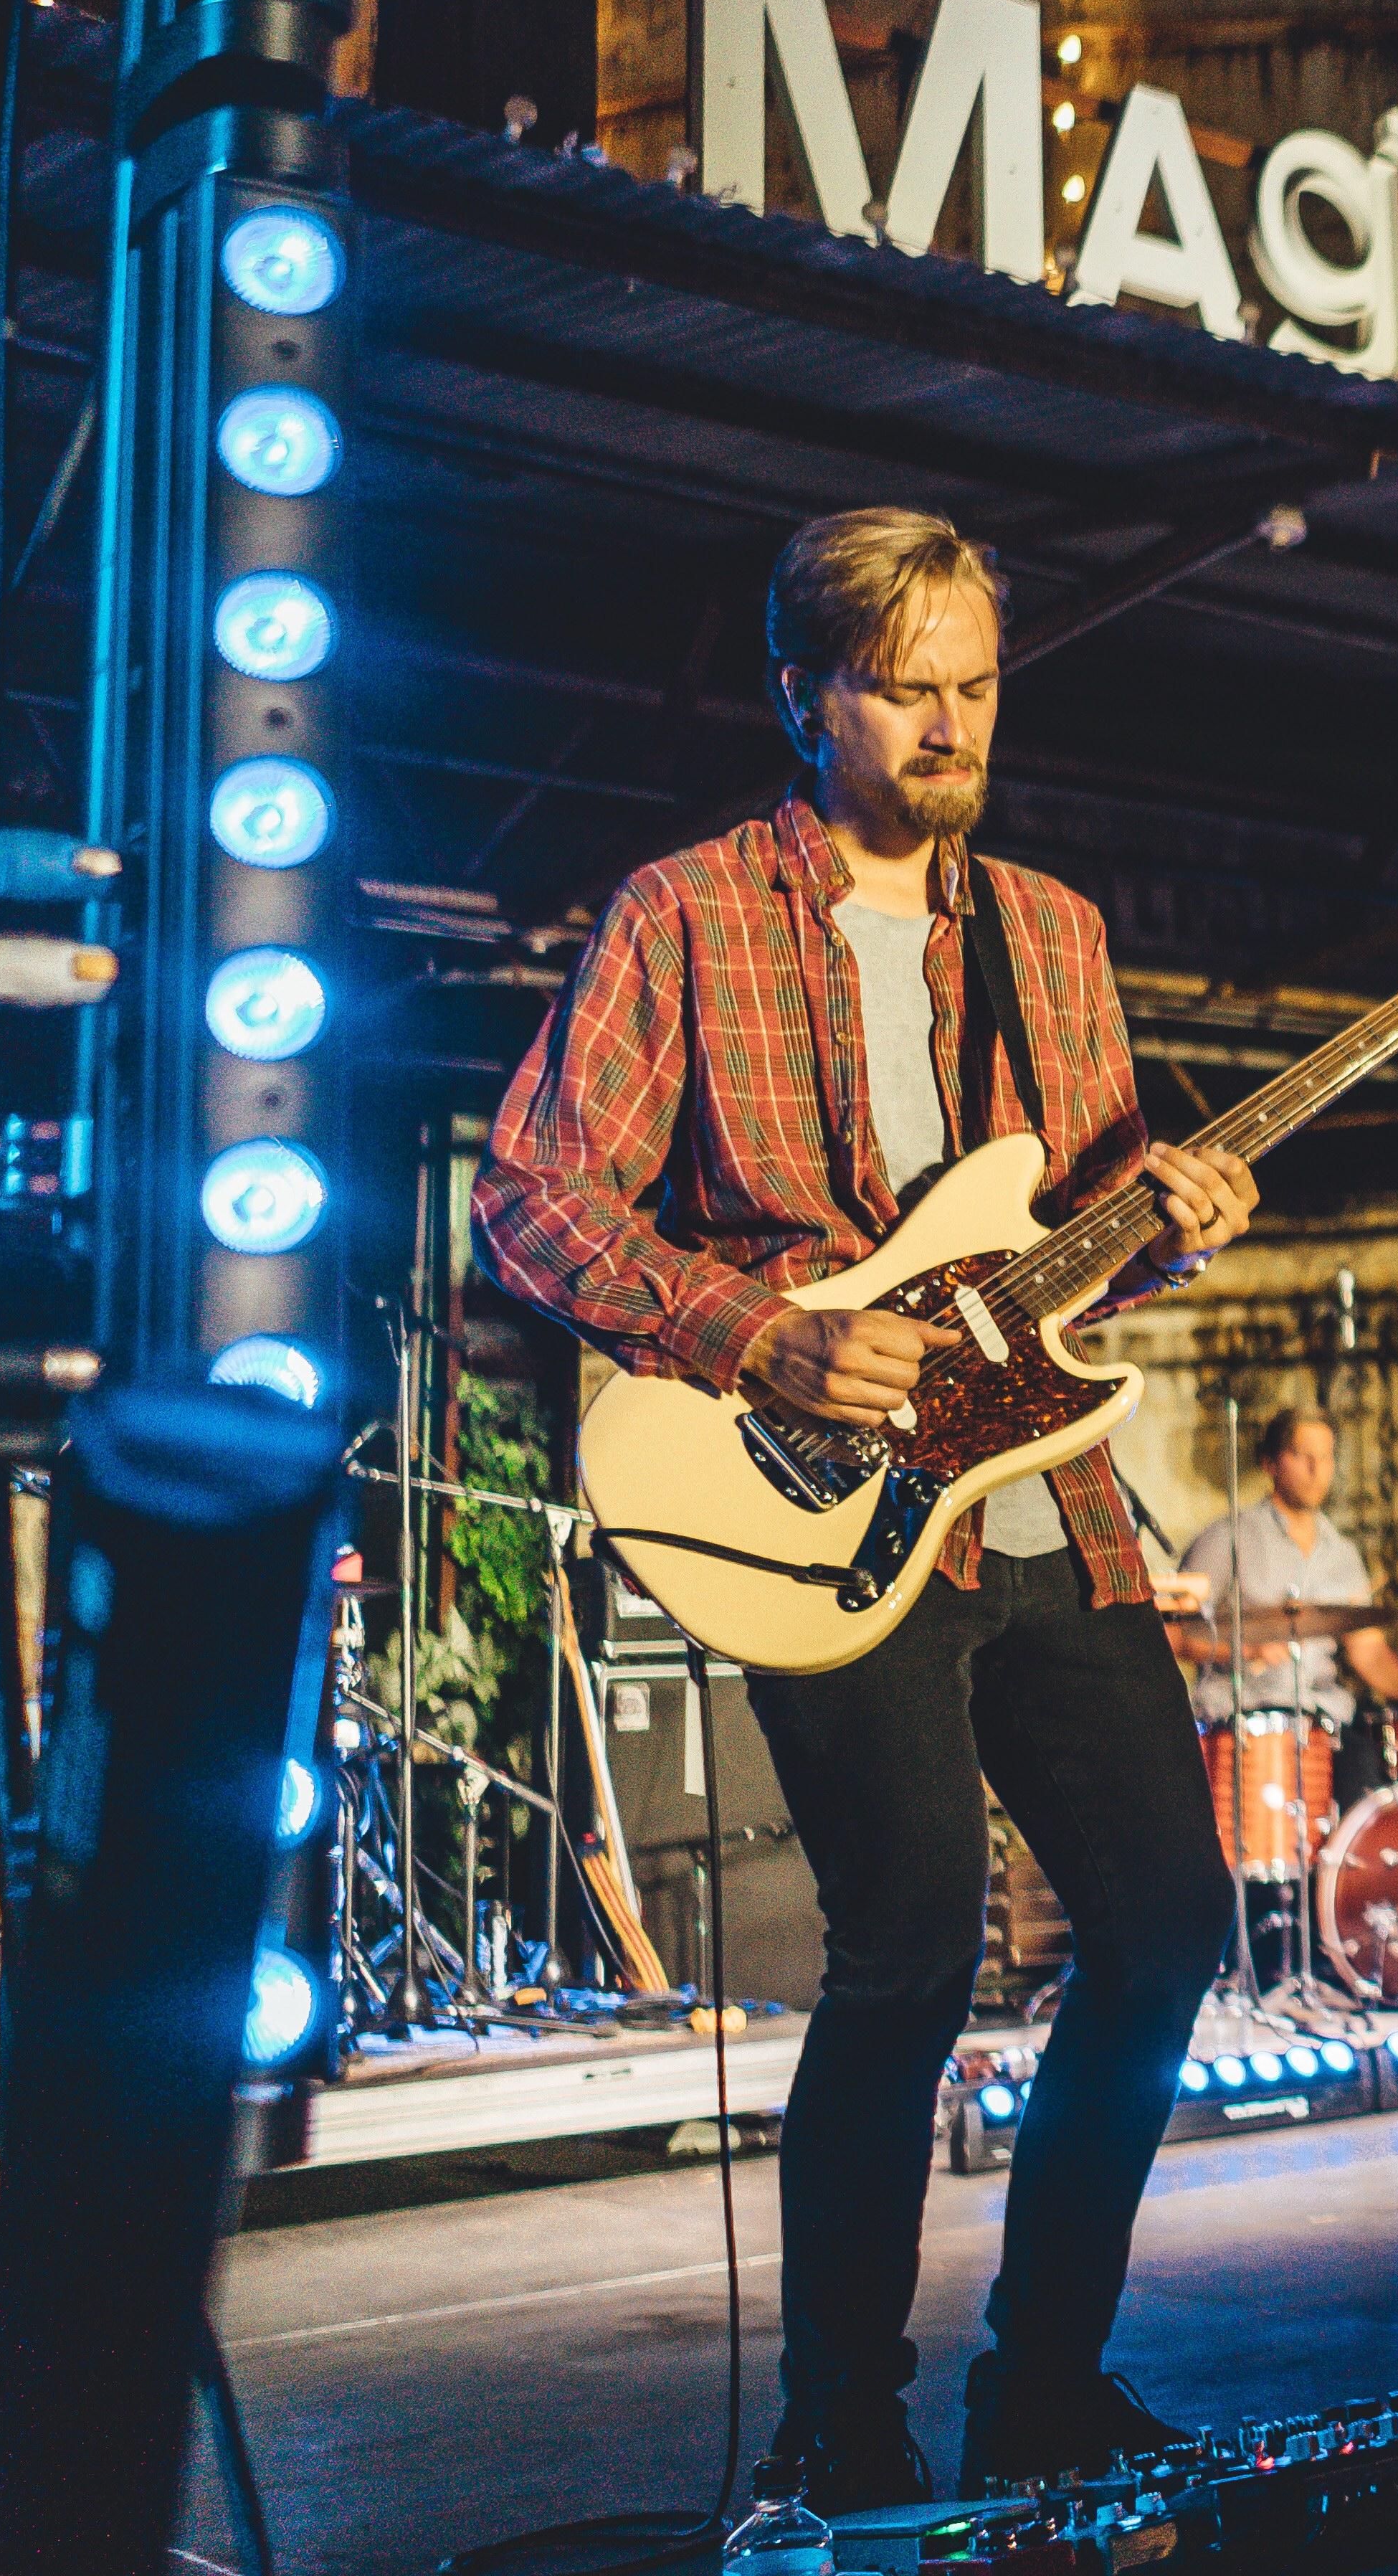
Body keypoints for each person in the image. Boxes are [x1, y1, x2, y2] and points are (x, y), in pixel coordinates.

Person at [478, 508, 1258, 2506]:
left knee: (1170, 1926)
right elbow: (536, 1194)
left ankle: (1048, 2382)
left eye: (976, 686)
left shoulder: (1055, 933)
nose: (950, 723)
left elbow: (1070, 1260)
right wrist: (760, 1336)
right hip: (825, 1512)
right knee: (908, 1948)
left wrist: (1170, 1227)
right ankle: (840, 2419)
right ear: (802, 693)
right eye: (906, 688)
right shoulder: (686, 914)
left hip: (1047, 1504)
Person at [1173, 1406, 1398, 1728]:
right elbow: (1174, 1636)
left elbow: (1368, 1652)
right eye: (1303, 1456)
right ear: (1270, 1463)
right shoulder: (1227, 1539)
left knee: (1371, 1756)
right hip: (1244, 1720)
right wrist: (1248, 1650)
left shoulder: (1342, 1553)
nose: (1316, 1469)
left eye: (1326, 1457)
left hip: (1323, 1719)